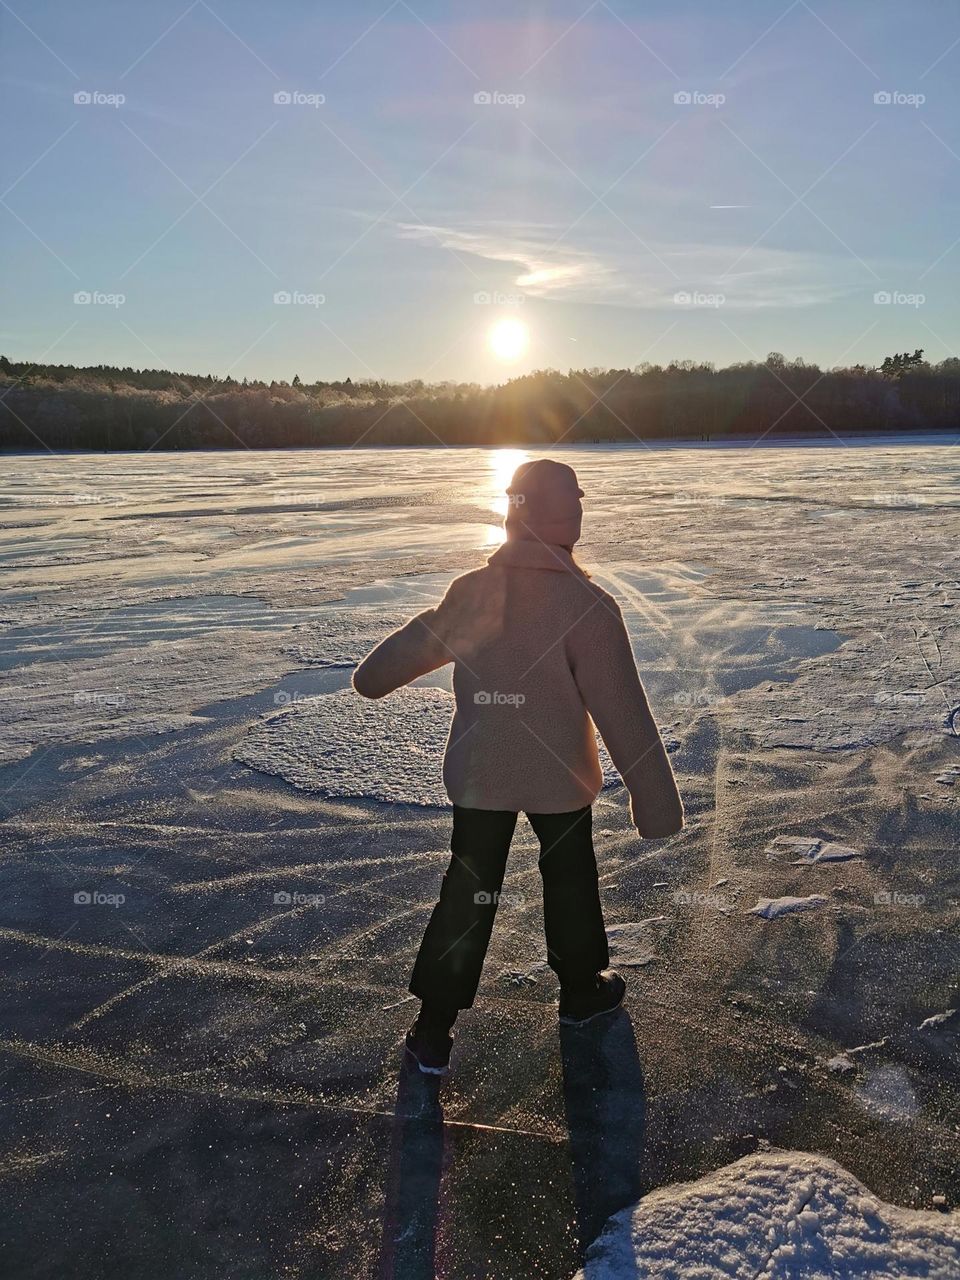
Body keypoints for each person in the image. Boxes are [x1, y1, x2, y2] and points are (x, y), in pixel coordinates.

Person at [353, 459, 683, 1075]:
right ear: (568, 516)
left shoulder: (474, 592)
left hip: (482, 778)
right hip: (560, 784)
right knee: (570, 881)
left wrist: (373, 674)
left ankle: (433, 1027)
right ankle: (582, 993)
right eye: (575, 503)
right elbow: (624, 713)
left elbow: (398, 659)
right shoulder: (587, 605)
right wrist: (656, 800)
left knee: (469, 892)